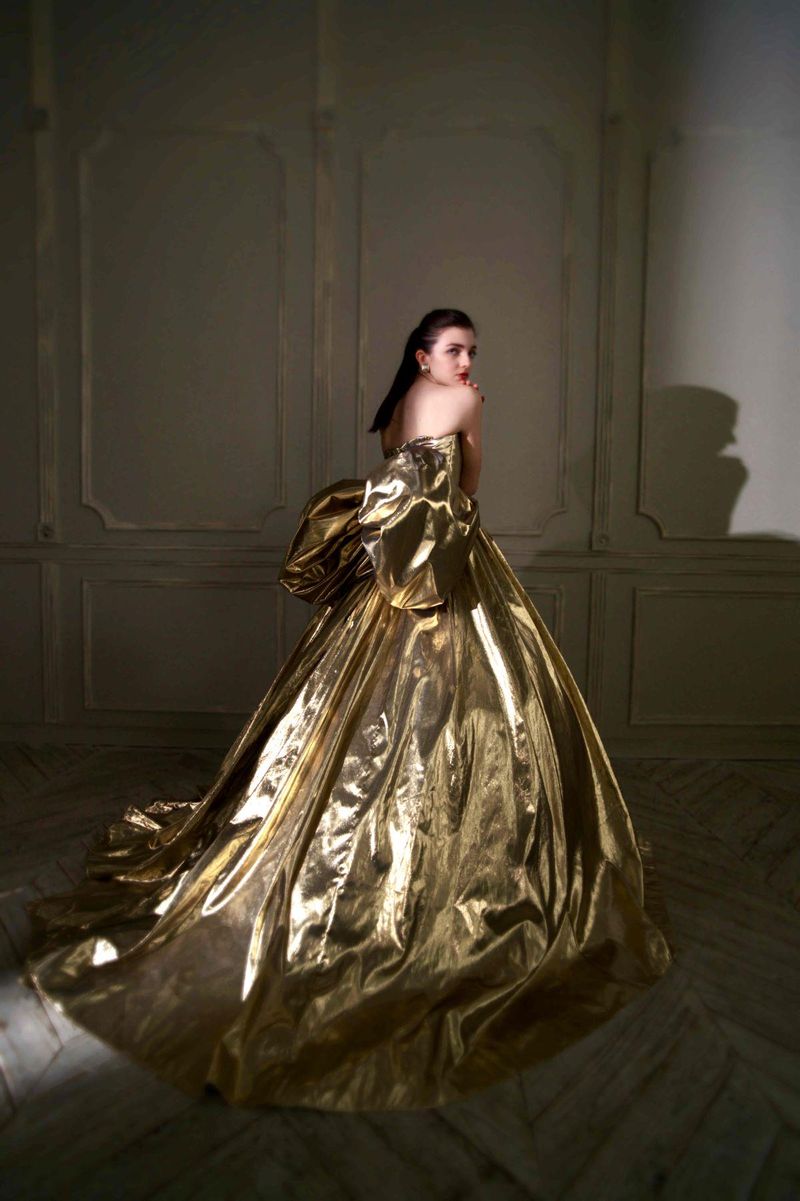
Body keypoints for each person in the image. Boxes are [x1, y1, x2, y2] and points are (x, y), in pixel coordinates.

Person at [23, 307, 674, 1112]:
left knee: (350, 716)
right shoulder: (466, 403)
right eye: (455, 349)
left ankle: (345, 845)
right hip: (444, 575)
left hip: (386, 580)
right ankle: (447, 865)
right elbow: (469, 488)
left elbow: (400, 481)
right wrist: (464, 444)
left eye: (471, 351)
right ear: (423, 354)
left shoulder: (397, 408)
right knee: (467, 717)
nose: (467, 363)